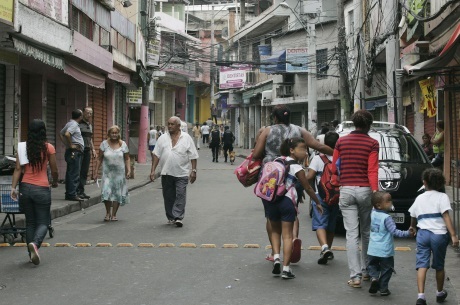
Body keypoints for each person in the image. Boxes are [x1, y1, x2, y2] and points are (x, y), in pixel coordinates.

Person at [253, 105, 333, 263]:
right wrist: (339, 152)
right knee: (291, 210)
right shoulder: (300, 130)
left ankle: (274, 253)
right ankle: (293, 238)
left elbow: (256, 153)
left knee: (271, 216)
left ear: (275, 118)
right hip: (293, 175)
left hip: (270, 177)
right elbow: (318, 146)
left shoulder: (267, 131)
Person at [331, 109, 379, 288]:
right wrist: (375, 191)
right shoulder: (372, 143)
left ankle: (355, 276)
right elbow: (372, 170)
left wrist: (336, 183)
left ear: (354, 123)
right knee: (366, 231)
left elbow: (335, 167)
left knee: (352, 234)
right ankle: (367, 270)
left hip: (346, 190)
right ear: (369, 125)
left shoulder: (341, 142)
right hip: (365, 190)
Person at [265, 137, 322, 279]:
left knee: (275, 232)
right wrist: (317, 202)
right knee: (288, 235)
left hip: (271, 201)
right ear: (292, 150)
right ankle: (286, 269)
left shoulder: (277, 161)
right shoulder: (297, 167)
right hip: (287, 202)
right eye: (302, 149)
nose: (305, 153)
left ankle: (277, 258)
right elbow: (307, 187)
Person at [10, 119, 59, 265]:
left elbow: (18, 169)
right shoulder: (48, 147)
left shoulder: (23, 147)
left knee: (30, 222)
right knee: (43, 221)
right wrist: (55, 181)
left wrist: (13, 188)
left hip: (25, 187)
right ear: (43, 131)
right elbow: (55, 169)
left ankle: (31, 254)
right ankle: (35, 245)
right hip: (42, 188)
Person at [409, 168, 459, 305]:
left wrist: (413, 227)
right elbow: (446, 216)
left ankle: (421, 296)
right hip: (439, 235)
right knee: (439, 265)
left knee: (422, 265)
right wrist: (453, 235)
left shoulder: (419, 198)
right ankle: (439, 292)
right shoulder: (442, 197)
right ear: (441, 183)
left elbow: (413, 215)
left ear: (424, 182)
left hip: (423, 234)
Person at [150, 116, 199, 227]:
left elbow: (193, 156)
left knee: (181, 194)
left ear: (178, 126)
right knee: (168, 196)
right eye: (169, 124)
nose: (170, 126)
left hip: (181, 173)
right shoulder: (162, 138)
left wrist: (194, 170)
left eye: (172, 124)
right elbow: (156, 154)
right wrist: (152, 170)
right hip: (166, 172)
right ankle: (171, 216)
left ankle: (178, 216)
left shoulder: (186, 138)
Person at [367, 191, 414, 296]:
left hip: (372, 249)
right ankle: (383, 289)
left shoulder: (373, 213)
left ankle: (374, 278)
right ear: (379, 205)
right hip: (385, 251)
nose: (391, 202)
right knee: (386, 270)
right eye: (388, 201)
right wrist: (407, 233)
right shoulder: (387, 218)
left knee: (372, 265)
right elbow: (395, 231)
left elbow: (373, 206)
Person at [306, 131, 340, 265]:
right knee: (331, 225)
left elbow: (309, 177)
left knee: (320, 223)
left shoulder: (318, 158)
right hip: (336, 196)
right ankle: (328, 249)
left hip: (320, 196)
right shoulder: (340, 158)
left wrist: (309, 191)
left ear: (324, 144)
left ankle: (324, 248)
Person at [93, 125, 130, 222]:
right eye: (112, 133)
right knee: (106, 192)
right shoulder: (104, 144)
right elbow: (99, 158)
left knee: (117, 193)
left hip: (119, 174)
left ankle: (114, 214)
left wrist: (129, 170)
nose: (114, 135)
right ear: (109, 134)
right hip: (107, 174)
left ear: (118, 134)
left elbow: (127, 158)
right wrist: (96, 171)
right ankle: (107, 213)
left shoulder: (123, 144)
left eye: (116, 133)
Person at [59, 109, 84, 201]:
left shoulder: (69, 123)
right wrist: (71, 145)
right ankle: (72, 194)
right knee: (74, 173)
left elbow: (61, 134)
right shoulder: (73, 125)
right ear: (80, 116)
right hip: (75, 152)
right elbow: (66, 134)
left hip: (73, 151)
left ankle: (70, 193)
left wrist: (67, 145)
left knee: (71, 172)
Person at [77, 107, 96, 200]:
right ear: (83, 113)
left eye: (91, 113)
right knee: (78, 171)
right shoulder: (78, 124)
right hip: (79, 151)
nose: (89, 115)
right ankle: (76, 191)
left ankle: (81, 190)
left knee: (84, 172)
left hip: (87, 150)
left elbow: (90, 139)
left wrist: (93, 149)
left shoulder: (90, 125)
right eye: (87, 112)